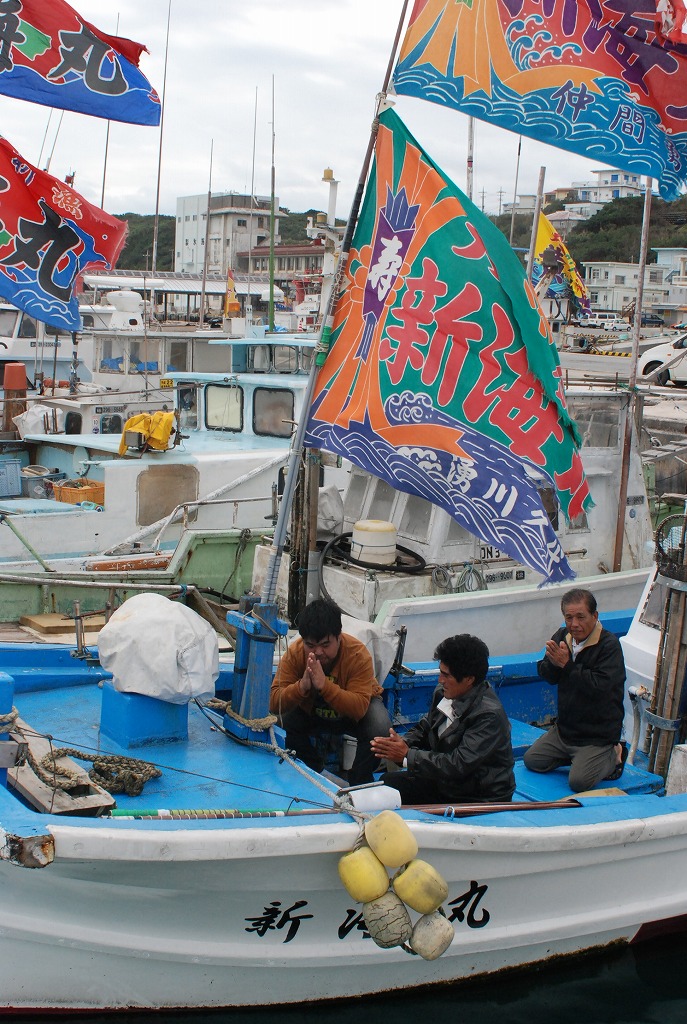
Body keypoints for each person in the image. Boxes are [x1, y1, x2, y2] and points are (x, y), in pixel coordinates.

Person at [370, 634, 515, 805]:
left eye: (446, 676)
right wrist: (400, 743)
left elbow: (458, 764)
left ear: (469, 679)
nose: (440, 680)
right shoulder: (443, 693)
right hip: (447, 782)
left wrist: (407, 755)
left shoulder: (489, 716)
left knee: (392, 795)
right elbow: (425, 728)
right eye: (440, 672)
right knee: (388, 783)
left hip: (477, 795)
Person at [270, 599, 391, 786]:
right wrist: (301, 687)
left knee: (380, 726)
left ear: (339, 637)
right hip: (311, 714)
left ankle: (358, 782)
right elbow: (274, 702)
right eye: (310, 645)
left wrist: (324, 686)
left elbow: (359, 708)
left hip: (350, 716)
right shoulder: (295, 653)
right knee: (281, 718)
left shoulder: (358, 654)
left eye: (326, 645)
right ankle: (316, 771)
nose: (318, 652)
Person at [523, 588, 627, 793]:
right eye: (568, 618)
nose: (574, 624)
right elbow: (548, 676)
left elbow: (600, 689)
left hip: (597, 737)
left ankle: (614, 755)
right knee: (532, 761)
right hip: (566, 731)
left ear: (594, 616)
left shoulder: (609, 646)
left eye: (581, 617)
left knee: (578, 782)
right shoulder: (563, 636)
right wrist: (553, 663)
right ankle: (574, 757)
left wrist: (567, 666)